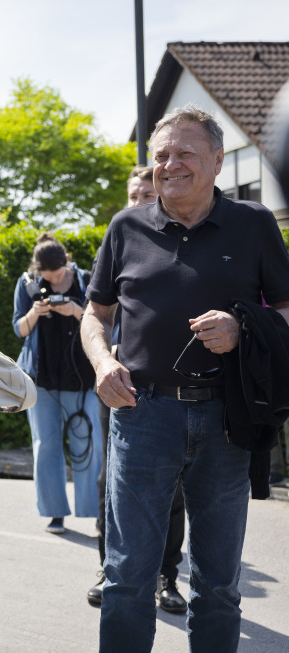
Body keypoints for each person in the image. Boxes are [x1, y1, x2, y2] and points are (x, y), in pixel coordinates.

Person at [82, 105, 289, 652]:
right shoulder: (126, 226)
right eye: (160, 156)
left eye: (185, 154)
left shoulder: (255, 225)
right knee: (126, 579)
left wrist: (244, 328)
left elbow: (288, 313)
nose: (168, 166)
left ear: (219, 161)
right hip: (141, 413)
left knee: (218, 584)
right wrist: (104, 363)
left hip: (228, 419)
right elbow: (94, 315)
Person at [88, 166, 187, 613]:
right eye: (132, 193)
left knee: (174, 491)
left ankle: (167, 575)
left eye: (145, 193)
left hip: (172, 392)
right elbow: (95, 313)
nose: (138, 200)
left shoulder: (176, 244)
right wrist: (104, 361)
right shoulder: (120, 239)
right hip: (121, 387)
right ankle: (109, 568)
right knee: (111, 482)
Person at [12, 233, 102, 534]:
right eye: (47, 277)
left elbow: (102, 320)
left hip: (83, 378)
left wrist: (75, 310)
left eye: (58, 275)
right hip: (42, 379)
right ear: (38, 271)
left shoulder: (86, 279)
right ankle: (55, 513)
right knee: (46, 446)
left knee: (88, 443)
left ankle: (95, 510)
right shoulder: (27, 283)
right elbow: (19, 330)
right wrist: (35, 313)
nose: (53, 281)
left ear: (67, 261)